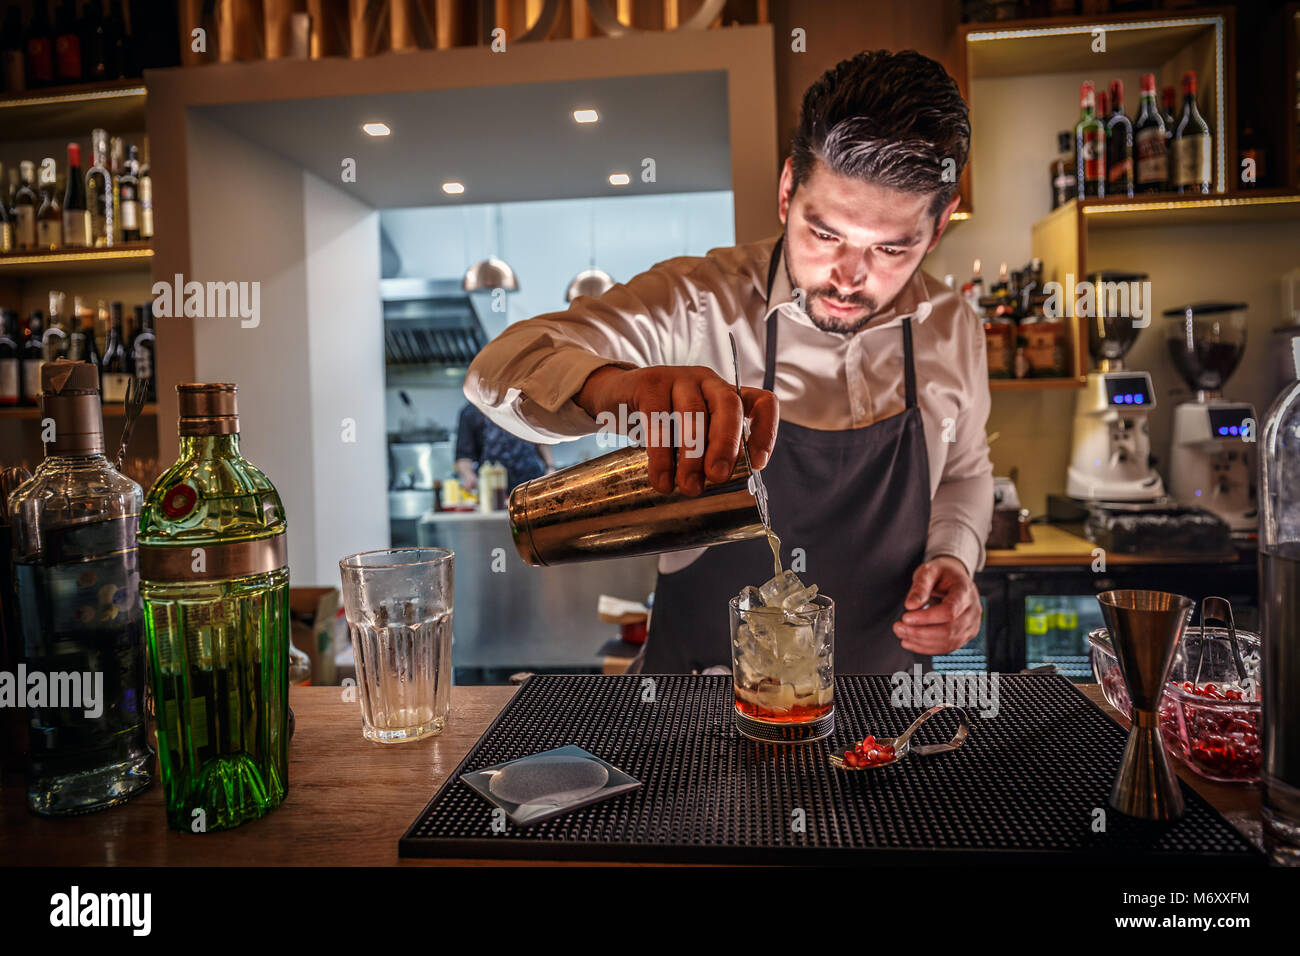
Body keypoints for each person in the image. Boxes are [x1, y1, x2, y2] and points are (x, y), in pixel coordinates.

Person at [464, 50, 993, 673]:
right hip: (698, 720)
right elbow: (497, 369)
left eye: (891, 248)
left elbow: (963, 473)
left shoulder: (953, 328)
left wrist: (956, 558)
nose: (849, 278)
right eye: (824, 235)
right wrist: (614, 389)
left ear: (936, 231)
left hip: (885, 722)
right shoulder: (697, 301)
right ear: (787, 189)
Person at [454, 402, 553, 495]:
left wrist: (549, 467)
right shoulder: (470, 412)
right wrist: (468, 475)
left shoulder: (522, 403)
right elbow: (464, 456)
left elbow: (540, 441)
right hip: (494, 489)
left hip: (532, 481)